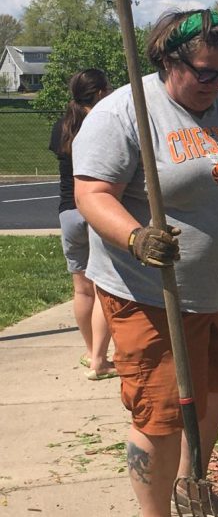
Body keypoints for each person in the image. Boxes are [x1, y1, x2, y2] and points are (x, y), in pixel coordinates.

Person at [72, 9, 218, 517]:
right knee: (160, 415)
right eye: (204, 72)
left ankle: (189, 487)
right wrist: (137, 237)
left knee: (217, 387)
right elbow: (91, 193)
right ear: (167, 60)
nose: (215, 82)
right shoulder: (124, 113)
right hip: (151, 293)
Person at [49, 68, 116, 380]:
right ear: (100, 92)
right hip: (95, 208)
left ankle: (91, 351)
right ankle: (100, 361)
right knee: (105, 287)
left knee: (82, 290)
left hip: (67, 211)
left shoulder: (62, 126)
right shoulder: (104, 123)